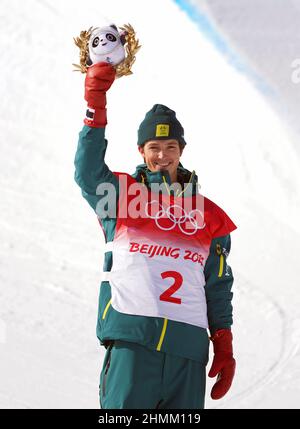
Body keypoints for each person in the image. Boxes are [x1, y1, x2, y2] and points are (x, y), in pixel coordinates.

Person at [74, 62, 237, 409]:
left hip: (188, 353)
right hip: (134, 342)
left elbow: (218, 283)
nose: (162, 156)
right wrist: (95, 105)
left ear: (181, 150)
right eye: (154, 147)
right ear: (142, 152)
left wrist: (223, 341)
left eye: (170, 147)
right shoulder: (121, 196)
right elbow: (87, 171)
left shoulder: (210, 215)